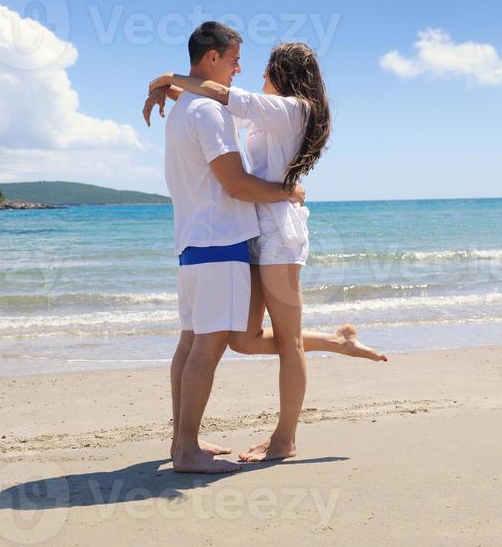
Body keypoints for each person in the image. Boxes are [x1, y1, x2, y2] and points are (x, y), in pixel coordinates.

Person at [144, 39, 387, 464]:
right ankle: (337, 341)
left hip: (279, 235)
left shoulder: (293, 108)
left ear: (284, 73)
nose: (257, 77)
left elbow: (219, 94)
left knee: (288, 340)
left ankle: (284, 439)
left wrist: (168, 78)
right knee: (244, 339)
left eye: (266, 71)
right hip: (252, 231)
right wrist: (176, 94)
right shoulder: (267, 115)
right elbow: (214, 110)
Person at [151, 22, 306, 474]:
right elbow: (236, 184)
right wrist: (287, 192)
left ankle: (183, 440)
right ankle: (186, 453)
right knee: (208, 348)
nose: (240, 67)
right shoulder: (208, 112)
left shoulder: (186, 110)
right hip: (220, 243)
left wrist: (163, 84)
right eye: (235, 58)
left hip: (191, 243)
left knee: (189, 343)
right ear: (213, 58)